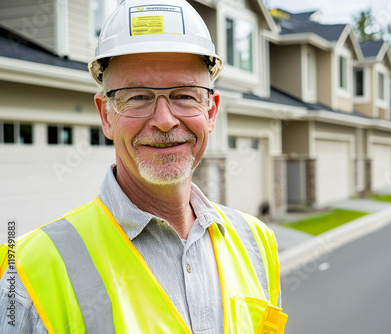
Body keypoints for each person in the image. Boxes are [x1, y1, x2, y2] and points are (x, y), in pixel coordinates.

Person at [0, 0, 287, 333]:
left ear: (210, 112)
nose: (164, 121)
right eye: (137, 96)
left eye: (185, 95)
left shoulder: (256, 243)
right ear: (106, 115)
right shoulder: (24, 272)